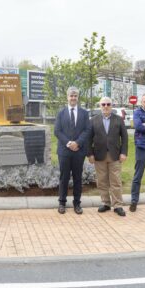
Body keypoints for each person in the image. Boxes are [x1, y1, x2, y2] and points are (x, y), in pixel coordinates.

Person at [87, 97, 128, 217]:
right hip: (99, 155)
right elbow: (88, 139)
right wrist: (89, 154)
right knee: (102, 181)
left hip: (115, 155)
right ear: (100, 106)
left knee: (115, 181)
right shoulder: (93, 120)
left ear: (111, 105)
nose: (105, 106)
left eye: (108, 104)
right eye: (103, 104)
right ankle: (105, 203)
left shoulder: (119, 119)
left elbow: (124, 138)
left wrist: (123, 153)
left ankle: (118, 205)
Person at [54, 86, 91, 214]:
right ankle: (62, 203)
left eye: (75, 96)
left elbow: (87, 130)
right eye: (71, 96)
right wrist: (69, 143)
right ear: (67, 97)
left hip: (78, 151)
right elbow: (57, 131)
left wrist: (77, 143)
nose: (73, 98)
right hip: (64, 151)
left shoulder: (84, 113)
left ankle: (77, 204)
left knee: (77, 178)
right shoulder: (61, 113)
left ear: (78, 97)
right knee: (64, 177)